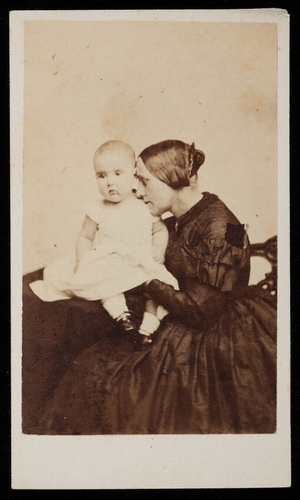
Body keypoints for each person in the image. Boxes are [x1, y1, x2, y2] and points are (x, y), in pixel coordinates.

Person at [28, 139, 276, 435]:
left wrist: (146, 280)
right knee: (53, 312)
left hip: (210, 337)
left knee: (106, 375)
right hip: (174, 309)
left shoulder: (219, 227)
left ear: (172, 180)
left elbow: (201, 313)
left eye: (144, 181)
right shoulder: (187, 216)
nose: (137, 189)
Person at [29, 140, 178, 344]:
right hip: (110, 258)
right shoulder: (98, 207)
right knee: (105, 284)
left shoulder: (144, 203)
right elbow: (85, 236)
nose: (110, 182)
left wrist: (158, 249)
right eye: (102, 175)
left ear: (134, 174)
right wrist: (82, 261)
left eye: (118, 173)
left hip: (139, 258)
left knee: (158, 287)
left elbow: (159, 229)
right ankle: (122, 318)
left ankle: (148, 328)